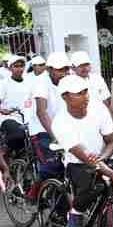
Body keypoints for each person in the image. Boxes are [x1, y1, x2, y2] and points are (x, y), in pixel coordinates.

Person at [52, 75, 113, 227]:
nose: (85, 96)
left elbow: (111, 140)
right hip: (78, 163)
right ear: (65, 97)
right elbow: (85, 158)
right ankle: (75, 212)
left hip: (102, 157)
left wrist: (103, 159)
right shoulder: (60, 122)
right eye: (78, 93)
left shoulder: (98, 108)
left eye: (85, 91)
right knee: (97, 186)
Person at [30, 52, 70, 180]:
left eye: (65, 69)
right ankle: (34, 194)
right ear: (49, 70)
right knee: (51, 168)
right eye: (59, 70)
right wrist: (54, 136)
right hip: (42, 131)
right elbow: (41, 112)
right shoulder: (41, 82)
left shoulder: (68, 81)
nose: (63, 73)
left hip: (63, 129)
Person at [0, 55, 33, 161]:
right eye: (16, 66)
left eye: (22, 66)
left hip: (27, 117)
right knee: (19, 134)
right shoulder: (4, 83)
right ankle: (7, 153)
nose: (20, 69)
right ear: (10, 68)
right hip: (10, 117)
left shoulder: (29, 81)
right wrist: (2, 110)